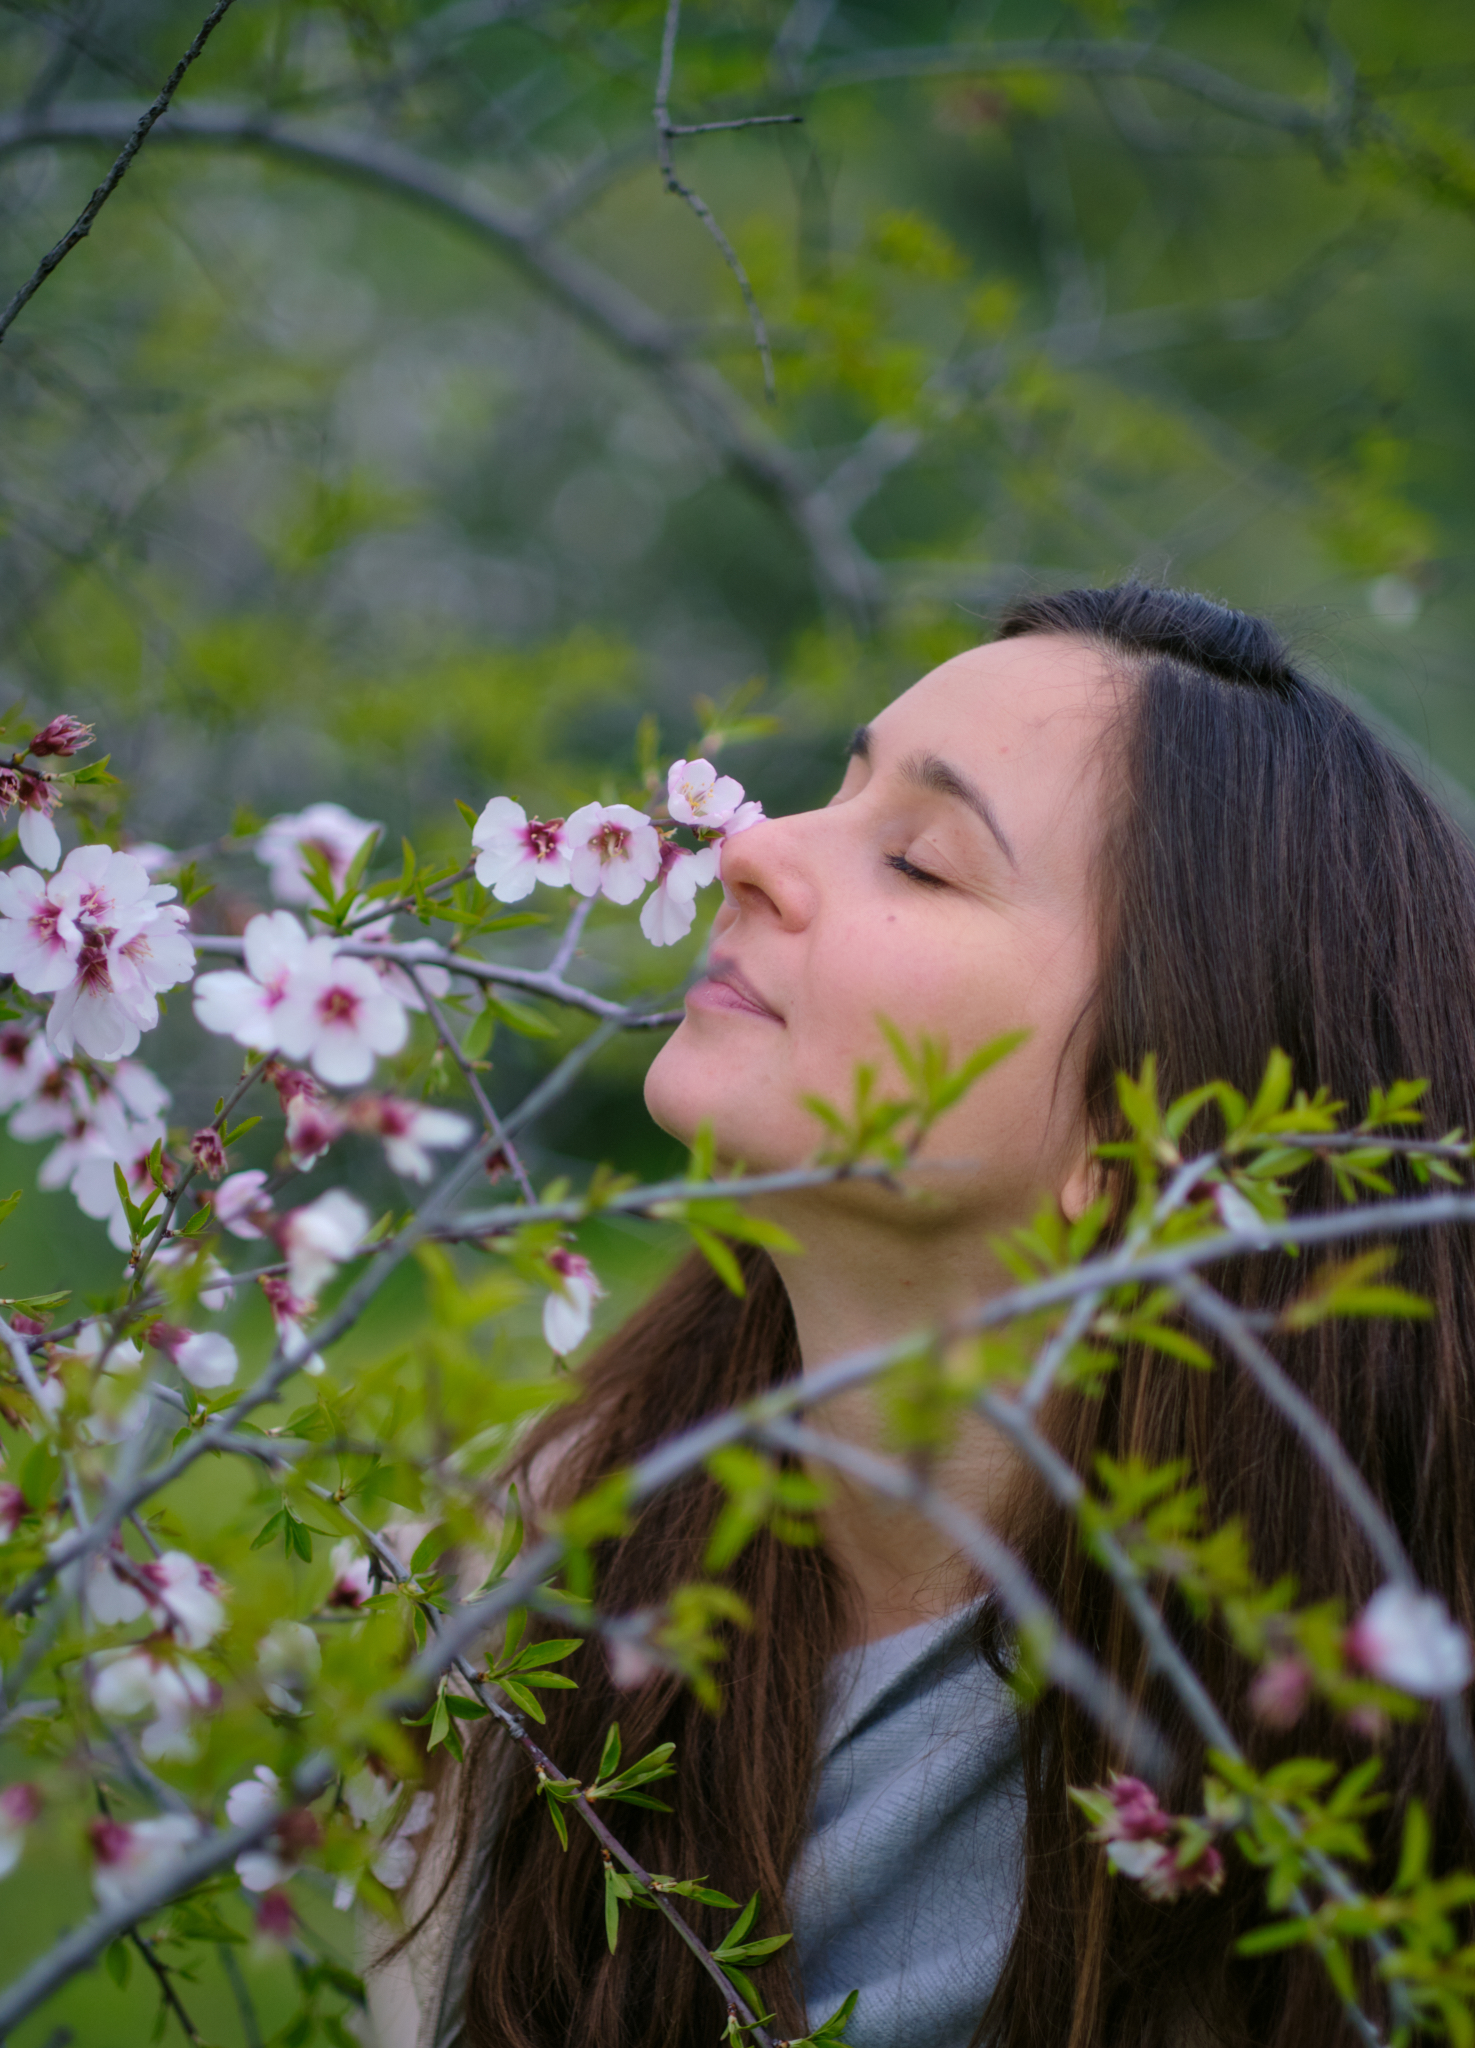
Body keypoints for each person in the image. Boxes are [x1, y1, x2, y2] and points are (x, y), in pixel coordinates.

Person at [368, 583, 1475, 2048]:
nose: (751, 847)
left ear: (1152, 1141)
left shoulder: (1335, 1810)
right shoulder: (513, 1590)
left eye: (919, 860)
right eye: (840, 787)